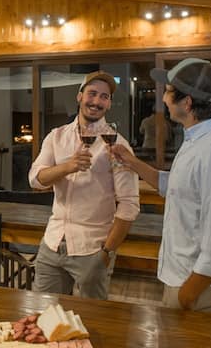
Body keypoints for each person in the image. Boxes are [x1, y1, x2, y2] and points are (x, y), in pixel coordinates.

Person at [112, 58, 211, 314]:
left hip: (204, 289)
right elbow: (175, 186)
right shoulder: (198, 139)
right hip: (187, 281)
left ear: (186, 103)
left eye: (168, 91)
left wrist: (188, 294)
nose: (164, 98)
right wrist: (132, 162)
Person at [28, 71, 139, 300]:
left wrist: (106, 253)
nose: (96, 101)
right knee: (44, 312)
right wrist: (67, 167)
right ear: (80, 96)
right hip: (53, 242)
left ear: (109, 104)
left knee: (94, 316)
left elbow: (129, 205)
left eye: (104, 97)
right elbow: (35, 180)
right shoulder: (56, 137)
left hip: (93, 248)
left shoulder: (117, 145)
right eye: (92, 93)